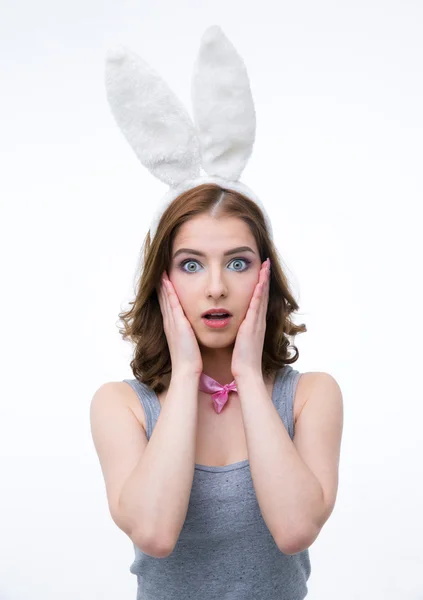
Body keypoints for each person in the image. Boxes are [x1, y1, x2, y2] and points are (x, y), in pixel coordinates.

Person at [90, 25, 343, 599]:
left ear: (265, 273)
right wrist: (184, 376)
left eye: (236, 263)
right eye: (190, 264)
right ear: (162, 281)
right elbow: (153, 532)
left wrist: (251, 376)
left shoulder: (311, 397)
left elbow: (296, 529)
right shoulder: (121, 406)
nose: (214, 289)